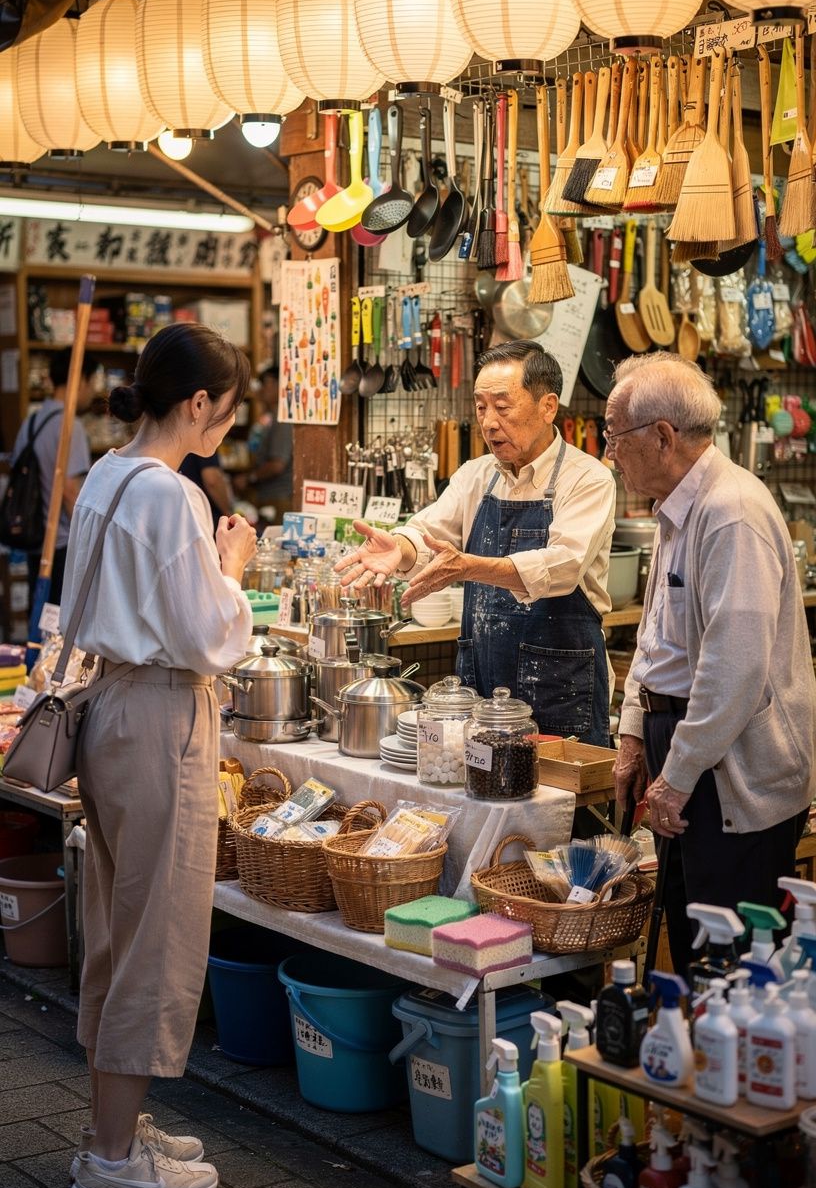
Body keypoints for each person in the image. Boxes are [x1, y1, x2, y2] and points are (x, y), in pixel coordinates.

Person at [61, 323, 256, 1188]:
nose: (227, 424)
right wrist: (233, 569)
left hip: (108, 710)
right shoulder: (171, 494)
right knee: (157, 935)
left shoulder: (107, 471)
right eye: (227, 408)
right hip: (159, 713)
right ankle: (110, 1160)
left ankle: (115, 1127)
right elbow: (208, 635)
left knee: (116, 923)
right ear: (199, 404)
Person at [609, 354, 816, 978]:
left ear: (664, 437)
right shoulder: (678, 506)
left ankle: (730, 1065)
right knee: (691, 938)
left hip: (737, 771)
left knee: (730, 959)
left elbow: (735, 671)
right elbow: (656, 638)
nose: (611, 451)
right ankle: (691, 1059)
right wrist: (630, 731)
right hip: (688, 745)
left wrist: (676, 776)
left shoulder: (730, 513)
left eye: (617, 437)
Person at [337, 341, 616, 745]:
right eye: (481, 407)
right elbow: (427, 533)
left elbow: (562, 567)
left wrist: (469, 567)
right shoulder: (476, 475)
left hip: (560, 689)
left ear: (548, 406)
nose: (488, 422)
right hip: (482, 689)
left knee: (561, 807)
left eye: (503, 407)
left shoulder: (587, 478)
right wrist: (401, 546)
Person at [12, 347, 99, 604]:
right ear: (80, 379)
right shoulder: (70, 425)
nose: (93, 390)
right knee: (61, 626)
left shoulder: (31, 422)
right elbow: (71, 491)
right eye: (92, 382)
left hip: (34, 539)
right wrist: (90, 545)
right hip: (62, 545)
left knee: (38, 622)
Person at [234, 366, 293, 520]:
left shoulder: (282, 418)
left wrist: (249, 478)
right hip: (266, 496)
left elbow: (277, 464)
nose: (261, 388)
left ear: (279, 384)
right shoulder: (269, 416)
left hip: (278, 497)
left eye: (265, 382)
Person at [179, 448, 235, 532]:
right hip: (207, 517)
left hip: (185, 514)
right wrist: (228, 512)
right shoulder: (204, 441)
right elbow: (212, 480)